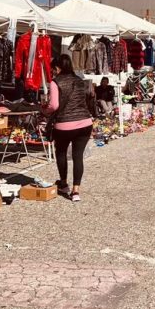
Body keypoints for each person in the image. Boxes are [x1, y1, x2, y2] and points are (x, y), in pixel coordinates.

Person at [43, 55, 95, 202]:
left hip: (64, 124)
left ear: (58, 68)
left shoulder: (55, 82)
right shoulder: (79, 81)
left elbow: (54, 106)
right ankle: (76, 191)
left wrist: (45, 110)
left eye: (53, 68)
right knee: (78, 157)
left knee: (61, 153)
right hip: (85, 123)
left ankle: (64, 184)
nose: (53, 71)